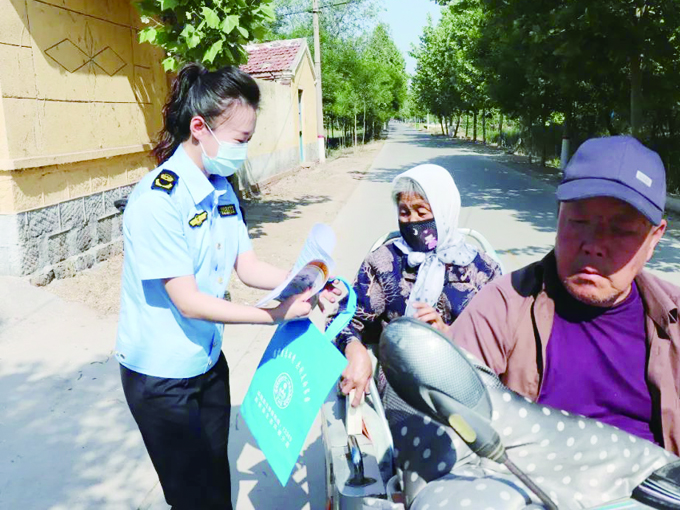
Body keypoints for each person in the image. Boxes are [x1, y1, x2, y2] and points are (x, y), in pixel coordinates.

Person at [450, 136, 680, 466]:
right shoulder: (504, 306)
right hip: (530, 490)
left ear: (654, 238)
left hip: (650, 493)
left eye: (621, 229)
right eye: (578, 221)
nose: (594, 244)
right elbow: (445, 400)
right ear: (559, 216)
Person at [115, 63, 337, 509]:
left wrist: (311, 282)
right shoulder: (158, 200)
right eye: (240, 140)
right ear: (199, 128)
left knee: (217, 481)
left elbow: (247, 267)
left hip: (208, 361)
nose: (244, 151)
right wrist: (273, 315)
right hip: (161, 377)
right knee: (192, 496)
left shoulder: (221, 189)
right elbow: (188, 302)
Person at [336, 164, 502, 406]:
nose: (412, 221)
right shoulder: (385, 262)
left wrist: (450, 336)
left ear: (443, 212)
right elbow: (344, 318)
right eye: (404, 213)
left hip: (466, 381)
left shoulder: (482, 269)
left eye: (421, 212)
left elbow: (499, 339)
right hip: (401, 383)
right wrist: (355, 350)